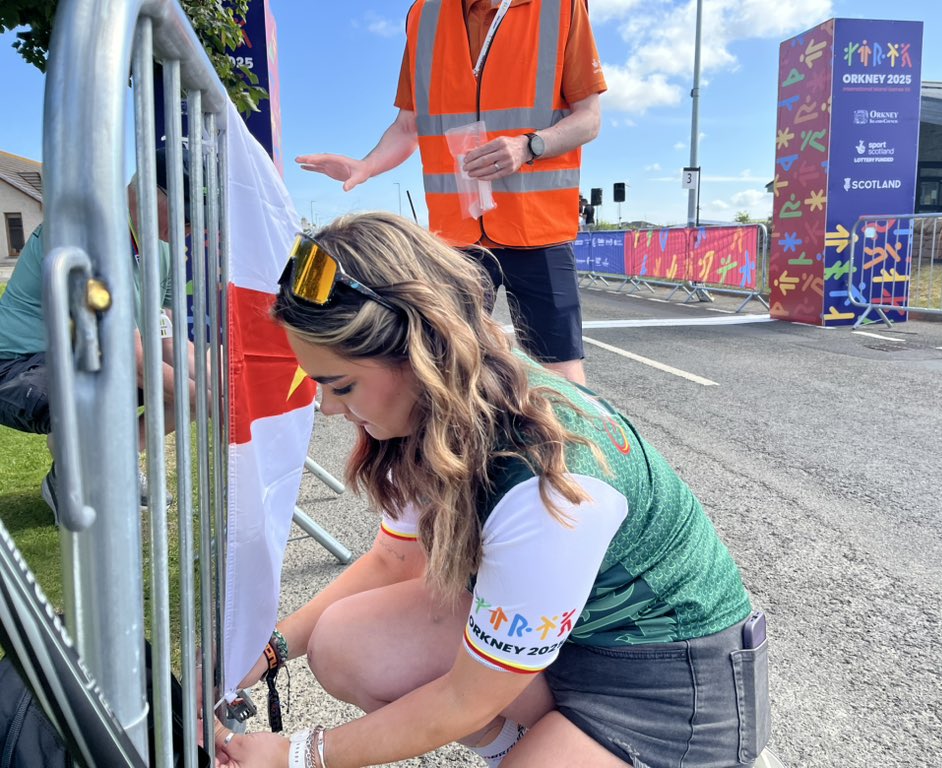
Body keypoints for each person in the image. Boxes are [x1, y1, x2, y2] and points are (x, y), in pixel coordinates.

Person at [216, 212, 772, 768]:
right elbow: (392, 559)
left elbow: (467, 697)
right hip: (570, 644)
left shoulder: (545, 481)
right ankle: (532, 749)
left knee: (480, 700)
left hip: (669, 687)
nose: (331, 409)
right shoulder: (444, 407)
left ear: (418, 352)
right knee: (344, 645)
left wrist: (297, 755)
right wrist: (266, 653)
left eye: (341, 385)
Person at [294, 0, 606, 386]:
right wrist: (366, 165)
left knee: (560, 374)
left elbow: (589, 118)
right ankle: (464, 449)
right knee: (451, 369)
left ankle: (564, 447)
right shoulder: (424, 15)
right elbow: (409, 125)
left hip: (539, 229)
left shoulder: (560, 7)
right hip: (456, 237)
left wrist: (528, 146)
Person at [0, 148, 199, 521]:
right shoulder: (88, 234)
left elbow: (167, 341)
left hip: (86, 355)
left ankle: (116, 464)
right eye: (187, 215)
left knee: (190, 386)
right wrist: (207, 402)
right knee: (95, 388)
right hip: (18, 363)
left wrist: (214, 387)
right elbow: (130, 358)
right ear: (149, 193)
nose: (191, 229)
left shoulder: (164, 249)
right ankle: (73, 483)